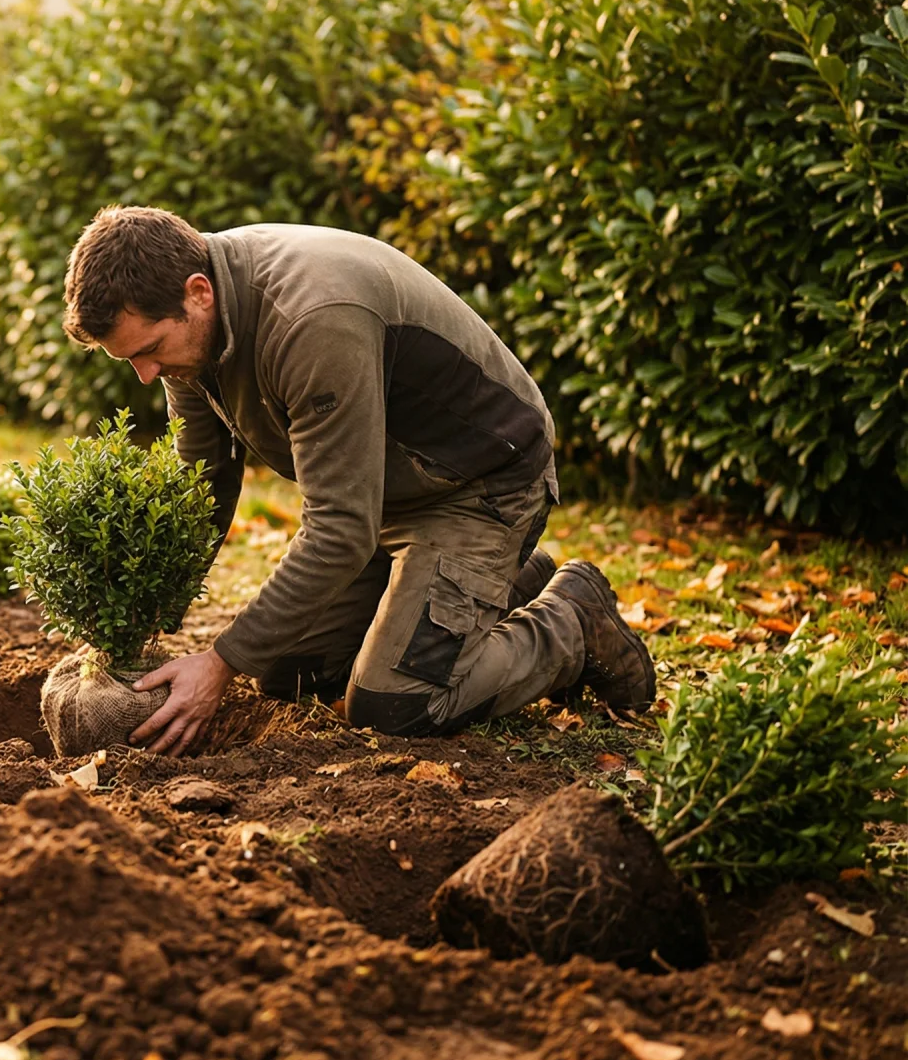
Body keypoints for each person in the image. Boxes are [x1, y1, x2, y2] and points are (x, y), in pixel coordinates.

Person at [61, 205, 656, 755]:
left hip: (478, 484)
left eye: (150, 350)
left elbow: (342, 528)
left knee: (393, 703)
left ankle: (573, 619)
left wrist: (218, 662)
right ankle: (506, 586)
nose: (146, 374)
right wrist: (140, 618)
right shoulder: (195, 324)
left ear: (198, 294)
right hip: (388, 490)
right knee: (291, 670)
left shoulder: (312, 320)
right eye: (130, 360)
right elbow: (204, 482)